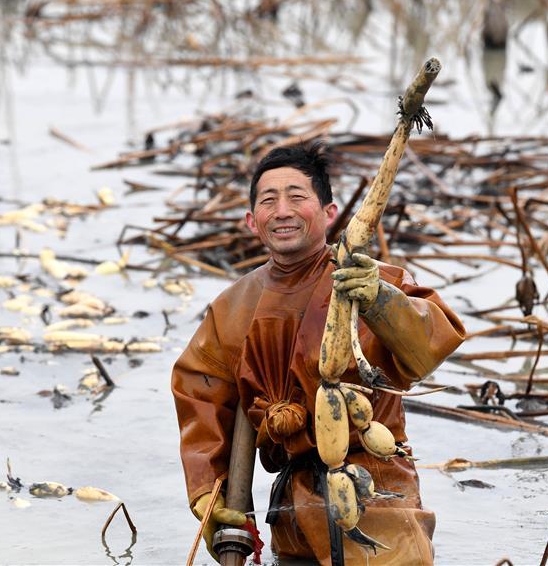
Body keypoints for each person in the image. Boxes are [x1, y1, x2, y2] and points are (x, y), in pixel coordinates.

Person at [172, 141, 466, 564]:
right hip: (291, 512)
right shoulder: (232, 308)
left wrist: (382, 300)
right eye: (269, 201)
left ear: (329, 213)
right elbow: (201, 395)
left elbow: (430, 347)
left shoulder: (366, 278)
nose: (283, 211)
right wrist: (209, 493)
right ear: (252, 221)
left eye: (297, 197)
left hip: (377, 494)